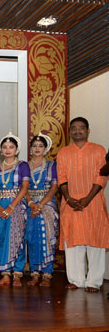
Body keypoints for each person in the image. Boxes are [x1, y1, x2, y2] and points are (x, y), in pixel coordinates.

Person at [57, 117, 109, 293]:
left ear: (88, 131)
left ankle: (94, 282)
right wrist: (69, 198)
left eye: (81, 128)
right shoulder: (63, 152)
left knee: (95, 242)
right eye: (74, 128)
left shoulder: (98, 150)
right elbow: (61, 177)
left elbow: (101, 177)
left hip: (93, 202)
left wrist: (87, 199)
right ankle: (76, 280)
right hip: (70, 202)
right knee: (73, 242)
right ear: (70, 132)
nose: (77, 131)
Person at [0, 133, 30, 286]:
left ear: (16, 149)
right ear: (1, 150)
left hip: (17, 206)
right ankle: (5, 274)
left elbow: (25, 187)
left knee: (17, 238)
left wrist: (11, 206)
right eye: (5, 147)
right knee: (1, 239)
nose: (8, 150)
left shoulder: (23, 166)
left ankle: (17, 274)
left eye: (11, 147)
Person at [24, 133, 58, 286]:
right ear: (30, 149)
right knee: (32, 238)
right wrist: (31, 202)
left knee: (46, 237)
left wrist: (41, 204)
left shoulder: (51, 165)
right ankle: (35, 273)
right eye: (34, 146)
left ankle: (47, 274)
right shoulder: (24, 166)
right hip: (29, 204)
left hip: (47, 204)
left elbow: (54, 187)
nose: (37, 148)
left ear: (46, 149)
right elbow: (22, 187)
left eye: (40, 146)